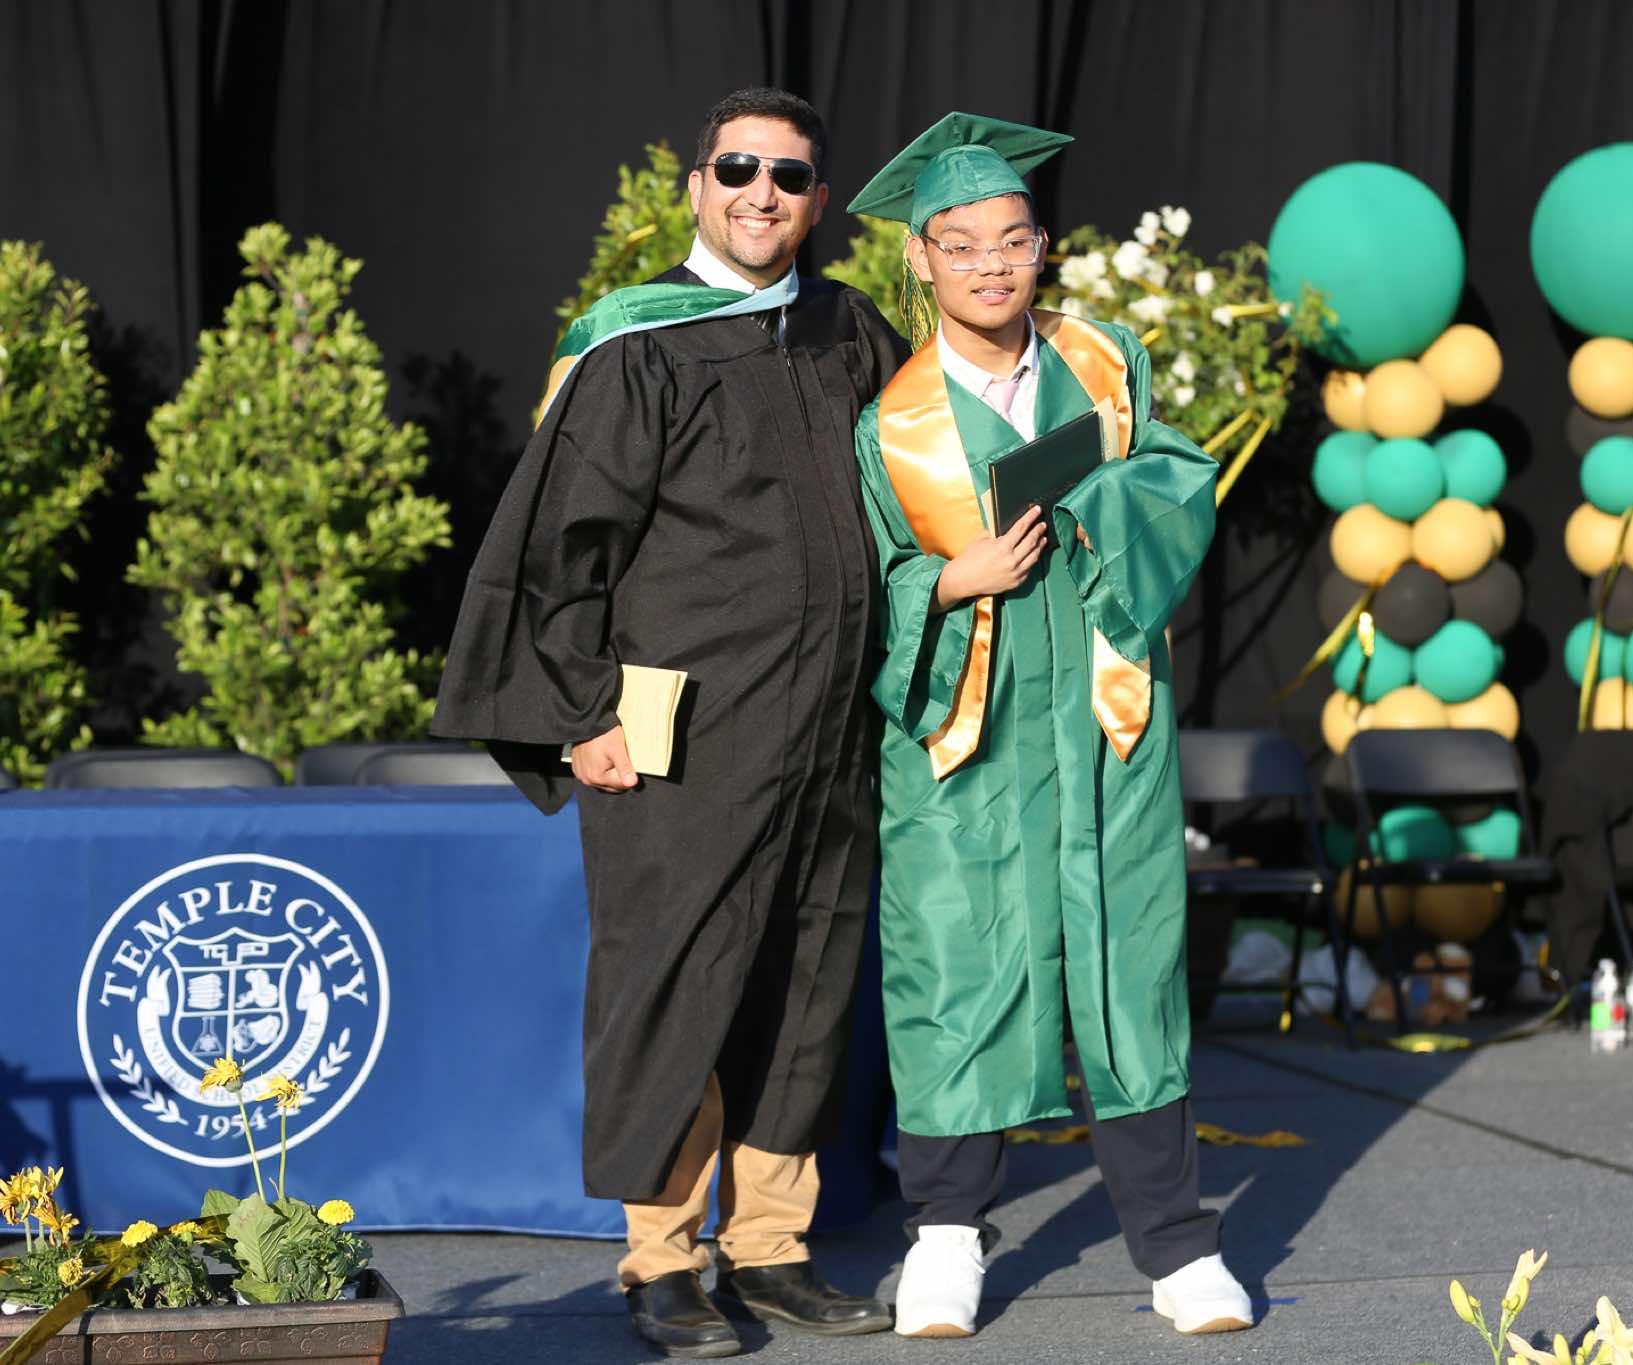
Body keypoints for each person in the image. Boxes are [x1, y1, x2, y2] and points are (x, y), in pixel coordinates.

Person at [432, 87, 905, 1358]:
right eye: (737, 169)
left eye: (789, 176)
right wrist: (580, 711)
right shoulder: (637, 345)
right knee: (675, 984)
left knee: (806, 981)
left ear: (818, 200)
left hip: (831, 727)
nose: (762, 194)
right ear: (696, 186)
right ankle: (662, 1259)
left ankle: (772, 1246)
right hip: (681, 729)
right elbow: (558, 550)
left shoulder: (847, 330)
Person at [843, 113, 1255, 1339]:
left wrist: (1101, 502)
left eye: (1013, 240)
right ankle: (943, 1238)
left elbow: (1177, 483)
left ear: (1041, 249)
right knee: (954, 965)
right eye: (961, 244)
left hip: (1103, 714)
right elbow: (864, 585)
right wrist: (948, 582)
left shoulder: (1105, 362)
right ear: (918, 260)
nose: (991, 265)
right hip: (963, 734)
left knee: (1131, 964)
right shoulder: (891, 423)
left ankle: (1175, 1248)